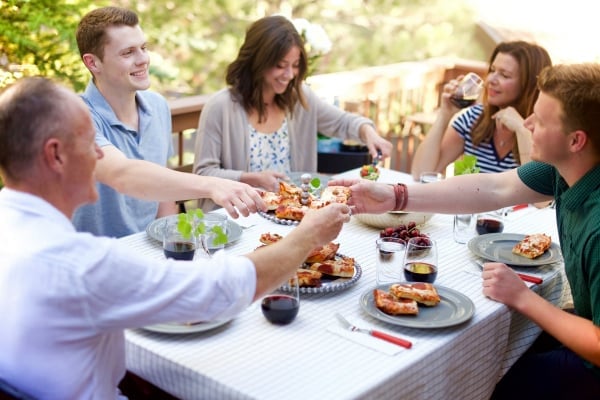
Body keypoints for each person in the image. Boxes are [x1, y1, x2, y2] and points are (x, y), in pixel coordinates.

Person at [0, 77, 350, 399]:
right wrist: (308, 234)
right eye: (91, 140)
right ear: (55, 155)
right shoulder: (81, 265)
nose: (100, 154)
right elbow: (217, 289)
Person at [330, 63, 600, 398]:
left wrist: (522, 297)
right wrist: (395, 196)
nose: (527, 125)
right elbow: (493, 188)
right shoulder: (566, 168)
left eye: (540, 122)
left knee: (488, 381)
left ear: (576, 140)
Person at [72, 6, 266, 238]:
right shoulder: (76, 117)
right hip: (96, 263)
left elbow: (163, 199)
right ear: (93, 63)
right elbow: (121, 174)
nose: (143, 59)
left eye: (143, 48)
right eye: (128, 53)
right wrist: (213, 185)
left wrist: (173, 248)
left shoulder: (157, 106)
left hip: (149, 252)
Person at [192, 15, 392, 211]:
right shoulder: (220, 107)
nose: (289, 75)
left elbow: (342, 122)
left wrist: (368, 133)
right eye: (280, 65)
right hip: (240, 221)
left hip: (293, 215)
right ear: (257, 61)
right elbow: (204, 174)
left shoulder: (299, 98)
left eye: (295, 66)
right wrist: (250, 178)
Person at [411, 41, 552, 179]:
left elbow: (540, 196)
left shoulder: (546, 133)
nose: (491, 79)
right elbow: (421, 174)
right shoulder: (472, 119)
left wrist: (522, 130)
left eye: (504, 75)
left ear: (529, 85)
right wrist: (444, 115)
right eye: (492, 70)